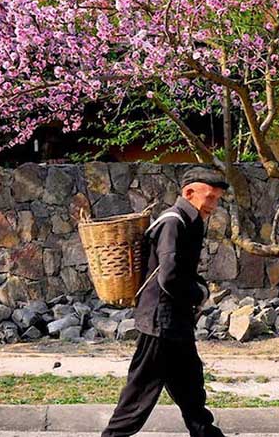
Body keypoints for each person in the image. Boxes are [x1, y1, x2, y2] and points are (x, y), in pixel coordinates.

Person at [101, 167, 229, 437]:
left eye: (217, 199)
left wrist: (198, 289)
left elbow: (182, 271)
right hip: (162, 320)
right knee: (140, 393)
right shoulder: (173, 222)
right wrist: (199, 294)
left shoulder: (190, 220)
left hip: (176, 320)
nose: (214, 206)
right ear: (189, 193)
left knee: (190, 385)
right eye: (210, 198)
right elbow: (169, 277)